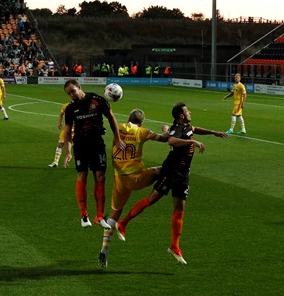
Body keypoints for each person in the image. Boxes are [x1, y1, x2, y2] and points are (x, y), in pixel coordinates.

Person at [114, 102, 228, 265]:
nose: (190, 113)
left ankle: (174, 246)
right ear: (181, 116)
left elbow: (195, 129)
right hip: (172, 170)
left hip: (183, 173)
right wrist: (192, 143)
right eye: (187, 111)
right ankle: (122, 224)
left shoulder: (187, 127)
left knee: (180, 208)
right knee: (151, 199)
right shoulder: (178, 129)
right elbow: (172, 141)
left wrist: (214, 132)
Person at [98, 108, 169, 268]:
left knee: (113, 215)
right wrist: (166, 130)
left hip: (119, 179)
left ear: (128, 117)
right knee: (163, 170)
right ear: (141, 122)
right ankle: (155, 197)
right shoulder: (143, 132)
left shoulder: (119, 127)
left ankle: (104, 251)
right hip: (136, 178)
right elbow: (165, 139)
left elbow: (110, 119)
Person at [61, 79, 126, 229]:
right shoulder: (70, 109)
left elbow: (111, 117)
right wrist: (68, 152)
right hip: (80, 145)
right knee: (82, 175)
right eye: (68, 93)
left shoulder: (97, 100)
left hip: (97, 143)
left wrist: (117, 137)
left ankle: (100, 216)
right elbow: (67, 131)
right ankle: (84, 215)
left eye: (72, 91)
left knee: (100, 176)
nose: (71, 95)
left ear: (79, 87)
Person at [48, 101, 73, 168]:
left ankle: (84, 163)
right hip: (66, 129)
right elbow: (61, 114)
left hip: (77, 129)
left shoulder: (81, 106)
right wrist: (59, 123)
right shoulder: (65, 105)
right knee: (60, 144)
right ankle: (55, 162)